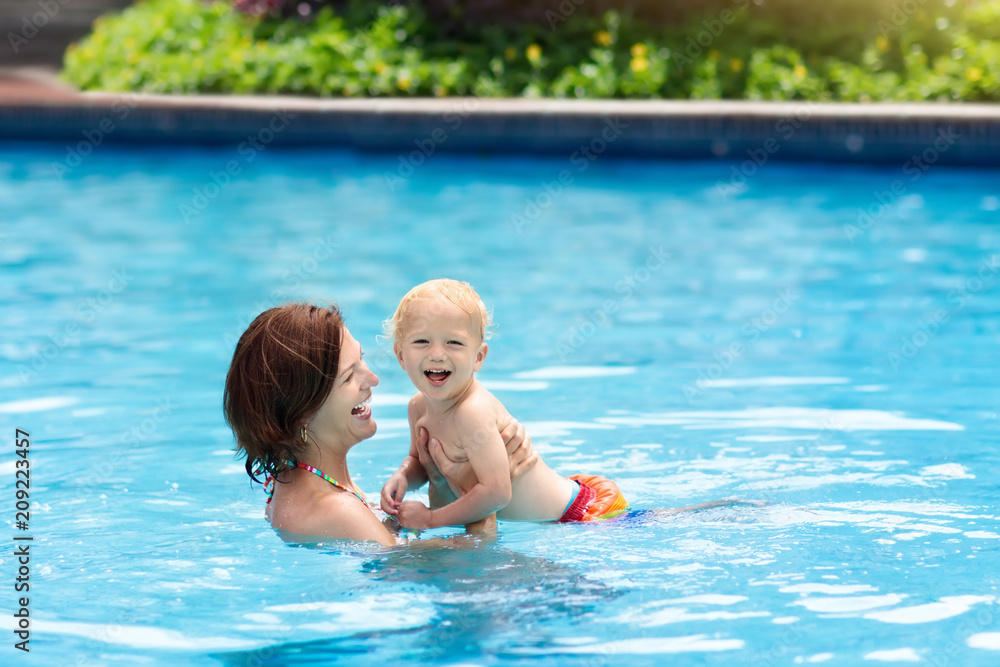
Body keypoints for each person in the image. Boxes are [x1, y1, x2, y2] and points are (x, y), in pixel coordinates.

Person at [222, 302, 539, 547]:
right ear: (302, 414)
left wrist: (444, 476)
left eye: (361, 359)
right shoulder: (338, 511)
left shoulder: (292, 487)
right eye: (350, 376)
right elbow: (466, 565)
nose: (372, 379)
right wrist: (483, 502)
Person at [380, 279, 630, 530]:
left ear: (478, 357)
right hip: (562, 508)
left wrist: (431, 520)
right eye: (422, 341)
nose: (436, 353)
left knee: (649, 520)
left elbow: (497, 494)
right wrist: (403, 476)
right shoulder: (417, 407)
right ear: (401, 355)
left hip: (581, 514)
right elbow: (420, 462)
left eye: (453, 343)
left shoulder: (471, 411)